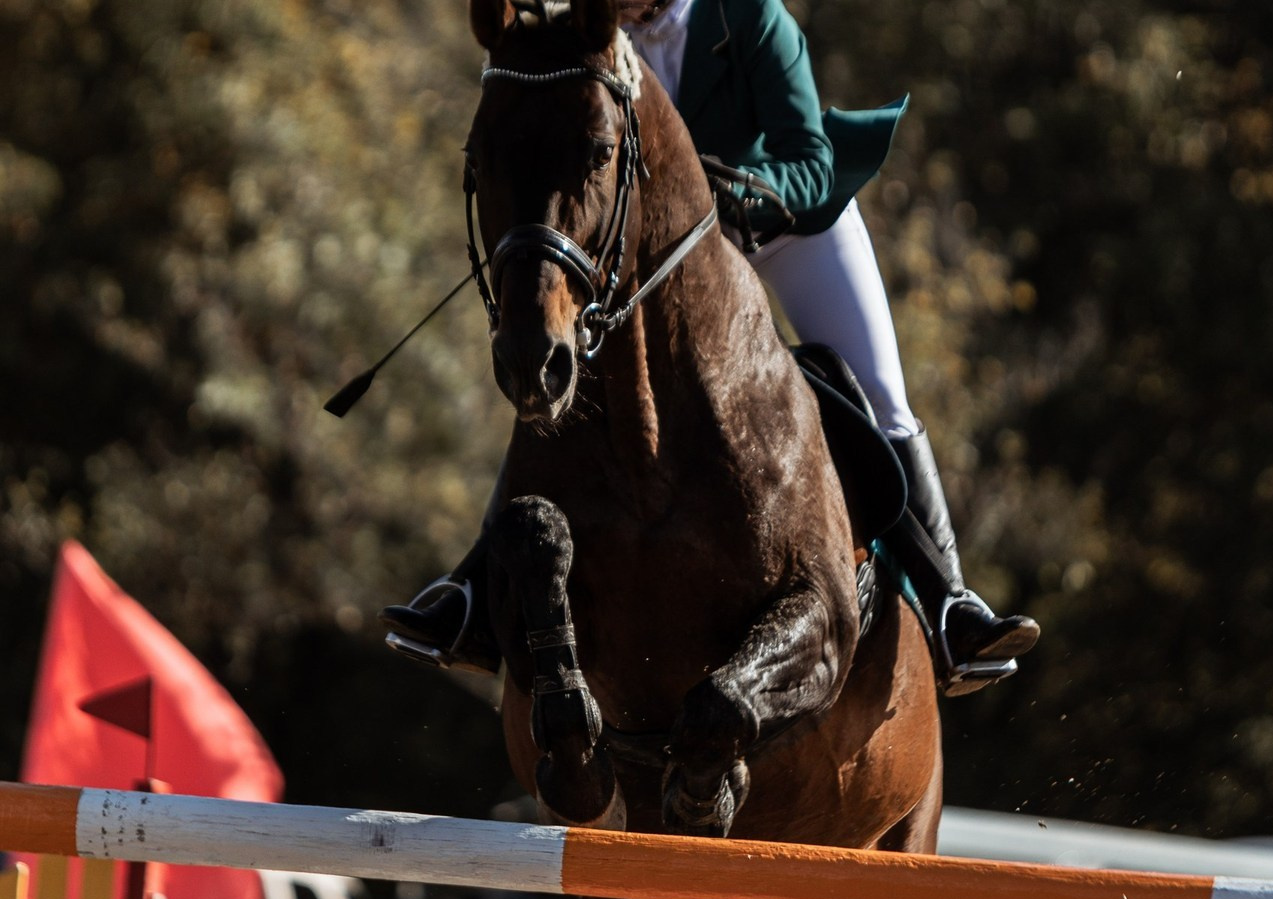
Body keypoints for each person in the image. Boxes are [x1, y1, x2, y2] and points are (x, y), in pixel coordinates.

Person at [381, 0, 1039, 694]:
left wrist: (731, 197)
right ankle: (475, 593)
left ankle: (949, 605)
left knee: (878, 393)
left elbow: (811, 163)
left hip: (787, 228)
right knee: (564, 389)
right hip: (669, 259)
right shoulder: (589, 31)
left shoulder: (750, 19)